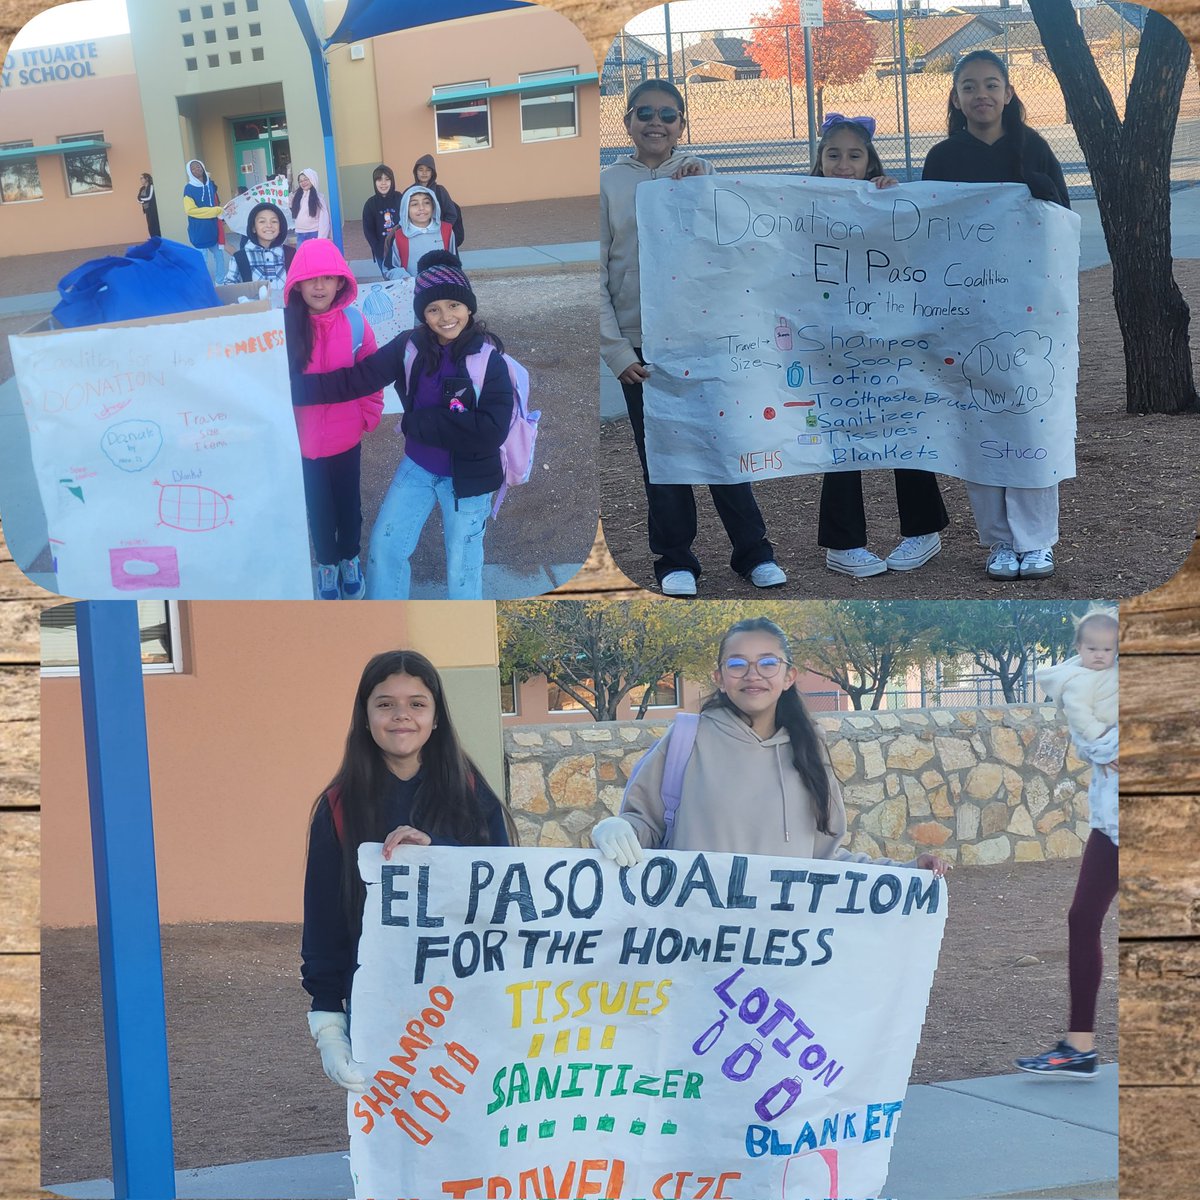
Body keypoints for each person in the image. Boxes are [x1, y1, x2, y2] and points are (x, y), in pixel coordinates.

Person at [600, 78, 787, 598]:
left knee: (724, 443)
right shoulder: (609, 184)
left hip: (705, 340)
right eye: (643, 113)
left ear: (682, 123)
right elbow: (598, 273)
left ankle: (754, 552)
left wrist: (707, 184)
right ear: (628, 122)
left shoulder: (704, 176)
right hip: (641, 345)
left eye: (667, 113)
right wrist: (615, 351)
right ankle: (675, 559)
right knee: (661, 454)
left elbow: (737, 248)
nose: (655, 122)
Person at [302, 649, 512, 1091]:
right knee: (395, 1143)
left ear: (436, 718)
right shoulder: (338, 807)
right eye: (385, 704)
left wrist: (438, 855)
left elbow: (505, 898)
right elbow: (324, 923)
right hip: (380, 1007)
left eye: (417, 703)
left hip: (466, 1003)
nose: (402, 716)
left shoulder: (474, 796)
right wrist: (328, 1027)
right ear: (365, 716)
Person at [591, 616, 948, 876]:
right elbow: (644, 828)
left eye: (767, 663)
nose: (752, 674)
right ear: (718, 678)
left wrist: (903, 872)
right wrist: (617, 828)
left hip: (778, 957)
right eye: (737, 664)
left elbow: (822, 862)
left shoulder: (810, 752)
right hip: (693, 950)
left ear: (789, 676)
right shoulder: (686, 740)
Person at [923, 50, 1070, 581]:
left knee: (1031, 420)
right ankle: (999, 542)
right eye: (968, 86)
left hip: (1027, 312)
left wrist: (1043, 195)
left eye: (991, 84)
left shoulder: (1034, 148)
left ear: (1008, 93)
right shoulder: (943, 157)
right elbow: (927, 230)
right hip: (967, 313)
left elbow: (1062, 224)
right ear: (956, 97)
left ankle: (1036, 541)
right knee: (977, 424)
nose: (980, 94)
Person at [292, 250, 512, 600]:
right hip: (419, 468)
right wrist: (291, 388)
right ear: (422, 314)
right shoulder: (408, 347)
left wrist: (422, 423)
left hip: (470, 480)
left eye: (454, 306)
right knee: (385, 548)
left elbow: (491, 431)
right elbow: (356, 379)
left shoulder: (489, 361)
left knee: (463, 565)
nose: (445, 317)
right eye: (433, 309)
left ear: (469, 308)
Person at [810, 116, 949, 579]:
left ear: (870, 159)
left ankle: (923, 531)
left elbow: (917, 253)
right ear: (820, 160)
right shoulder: (797, 204)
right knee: (841, 436)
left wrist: (898, 201)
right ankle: (843, 542)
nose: (844, 165)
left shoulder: (889, 201)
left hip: (891, 338)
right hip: (831, 343)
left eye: (855, 155)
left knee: (905, 426)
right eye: (834, 155)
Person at [1016, 606, 1118, 1078]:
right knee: (1082, 917)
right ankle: (1080, 1047)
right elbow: (1087, 737)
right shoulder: (1094, 656)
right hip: (1111, 820)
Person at [282, 239, 384, 600]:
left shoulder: (355, 323)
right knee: (318, 510)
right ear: (296, 283)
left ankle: (349, 559)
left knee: (348, 506)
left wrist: (367, 415)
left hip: (346, 439)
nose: (320, 286)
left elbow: (372, 371)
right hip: (305, 444)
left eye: (328, 277)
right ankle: (327, 564)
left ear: (342, 281)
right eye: (311, 279)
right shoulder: (282, 329)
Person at [382, 184, 455, 279]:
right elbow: (389, 268)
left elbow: (455, 263)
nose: (421, 208)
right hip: (413, 290)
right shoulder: (399, 236)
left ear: (434, 206)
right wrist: (407, 279)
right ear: (406, 209)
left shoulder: (446, 230)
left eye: (426, 203)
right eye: (414, 204)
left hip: (442, 288)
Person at [222, 201, 294, 292]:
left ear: (280, 228)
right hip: (253, 305)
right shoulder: (240, 257)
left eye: (274, 221)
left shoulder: (291, 254)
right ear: (253, 228)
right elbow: (229, 286)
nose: (269, 225)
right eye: (262, 221)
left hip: (286, 306)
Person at [182, 157, 224, 280]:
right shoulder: (188, 188)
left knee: (219, 257)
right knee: (202, 261)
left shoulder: (210, 184)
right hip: (199, 230)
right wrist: (214, 211)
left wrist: (220, 214)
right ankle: (204, 283)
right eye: (193, 168)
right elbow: (190, 210)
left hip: (213, 228)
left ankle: (220, 281)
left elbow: (216, 202)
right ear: (189, 172)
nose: (196, 169)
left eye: (198, 166)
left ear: (203, 167)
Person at [413, 154, 465, 247]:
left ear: (432, 173)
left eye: (428, 170)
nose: (424, 173)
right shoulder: (410, 192)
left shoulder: (440, 191)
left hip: (438, 238)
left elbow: (452, 215)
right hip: (417, 238)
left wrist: (442, 232)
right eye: (421, 169)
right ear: (416, 172)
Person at [361, 164, 401, 275]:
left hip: (401, 250)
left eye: (387, 179)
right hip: (382, 253)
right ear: (374, 182)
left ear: (392, 181)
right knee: (388, 281)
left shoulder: (400, 198)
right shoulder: (370, 204)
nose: (383, 183)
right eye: (379, 179)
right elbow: (368, 231)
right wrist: (378, 249)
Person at [290, 168, 332, 245]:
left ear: (312, 179)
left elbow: (324, 220)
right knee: (302, 256)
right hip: (300, 234)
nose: (303, 183)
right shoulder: (297, 196)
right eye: (301, 181)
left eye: (306, 179)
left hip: (313, 233)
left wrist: (321, 238)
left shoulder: (319, 198)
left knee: (314, 256)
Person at [137, 172, 160, 239]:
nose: (140, 180)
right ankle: (153, 239)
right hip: (147, 210)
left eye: (142, 178)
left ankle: (158, 239)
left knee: (155, 225)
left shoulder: (151, 186)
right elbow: (137, 199)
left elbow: (149, 197)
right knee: (150, 226)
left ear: (146, 178)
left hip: (153, 209)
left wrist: (141, 199)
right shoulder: (141, 189)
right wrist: (142, 199)